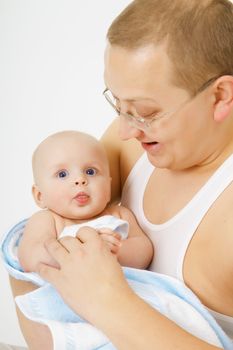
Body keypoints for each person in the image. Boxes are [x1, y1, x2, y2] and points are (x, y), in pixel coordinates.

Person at [9, 0, 233, 349]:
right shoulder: (131, 143)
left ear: (220, 96)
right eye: (118, 106)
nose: (126, 131)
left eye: (145, 113)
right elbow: (46, 228)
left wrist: (107, 301)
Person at [17, 130, 153, 273]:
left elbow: (145, 251)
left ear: (108, 186)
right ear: (40, 196)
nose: (80, 179)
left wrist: (116, 251)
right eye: (62, 174)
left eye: (90, 172)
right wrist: (78, 252)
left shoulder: (119, 214)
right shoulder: (47, 220)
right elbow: (30, 256)